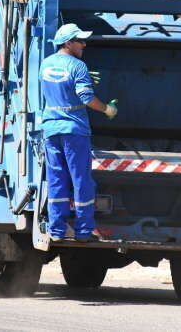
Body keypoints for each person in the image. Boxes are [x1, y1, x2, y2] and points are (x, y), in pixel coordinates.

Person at [40, 23, 118, 243]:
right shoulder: (79, 66)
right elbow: (86, 99)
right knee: (80, 180)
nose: (84, 44)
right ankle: (84, 230)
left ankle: (57, 230)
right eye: (80, 40)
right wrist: (106, 109)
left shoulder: (45, 64)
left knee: (56, 179)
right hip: (74, 131)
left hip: (51, 129)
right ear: (68, 43)